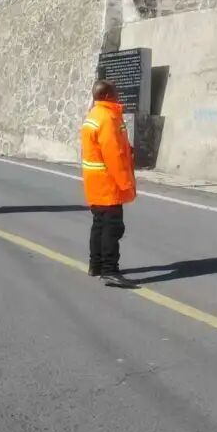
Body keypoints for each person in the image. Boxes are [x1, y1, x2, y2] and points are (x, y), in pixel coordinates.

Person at [81, 79, 137, 288]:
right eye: (114, 92)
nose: (118, 95)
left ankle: (95, 265)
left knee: (99, 224)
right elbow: (114, 155)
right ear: (105, 96)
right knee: (112, 228)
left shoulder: (94, 115)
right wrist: (126, 183)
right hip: (108, 183)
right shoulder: (107, 118)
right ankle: (110, 270)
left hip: (95, 182)